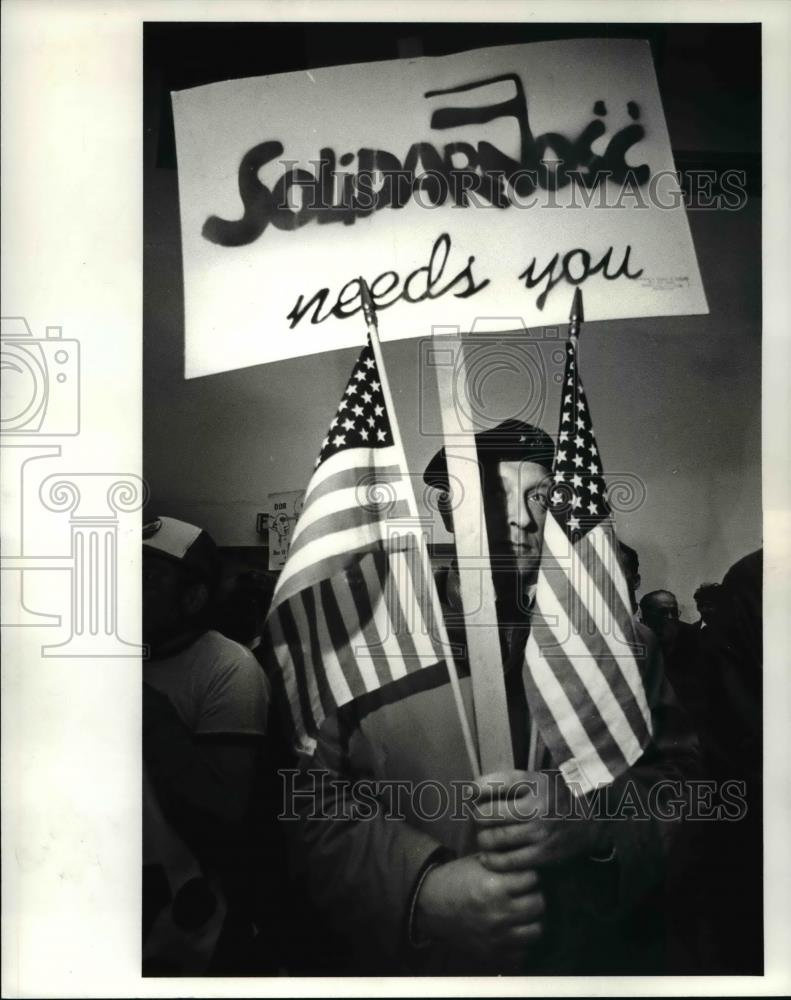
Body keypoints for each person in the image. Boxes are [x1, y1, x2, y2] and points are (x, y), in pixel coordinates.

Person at [286, 419, 699, 975]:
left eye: (540, 495)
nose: (522, 520)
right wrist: (421, 889)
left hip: (580, 962)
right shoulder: (364, 644)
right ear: (449, 511)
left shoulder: (622, 645)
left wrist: (596, 823)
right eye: (493, 494)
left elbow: (681, 787)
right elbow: (309, 799)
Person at [142, 516, 275, 974]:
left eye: (148, 577)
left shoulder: (228, 669)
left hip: (193, 923)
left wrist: (147, 712)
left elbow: (224, 814)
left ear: (194, 597)